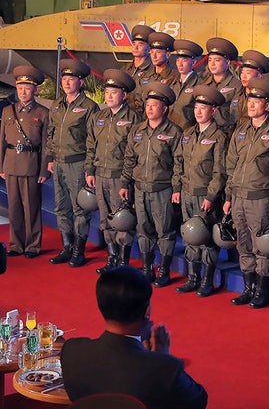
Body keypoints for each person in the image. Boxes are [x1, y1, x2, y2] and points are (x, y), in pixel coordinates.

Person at [61, 266, 208, 409]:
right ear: (147, 312)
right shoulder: (164, 368)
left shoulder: (71, 351)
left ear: (100, 305)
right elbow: (198, 401)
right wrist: (162, 358)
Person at [224, 78, 269, 308]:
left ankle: (262, 289)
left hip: (261, 198)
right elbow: (231, 165)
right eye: (250, 99)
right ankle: (248, 287)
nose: (251, 104)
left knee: (262, 246)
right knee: (243, 244)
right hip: (239, 196)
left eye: (257, 100)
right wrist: (229, 196)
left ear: (267, 105)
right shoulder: (241, 131)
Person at [120, 82, 182, 287]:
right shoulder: (138, 130)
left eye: (154, 105)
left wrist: (176, 189)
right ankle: (147, 268)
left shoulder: (174, 132)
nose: (149, 108)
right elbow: (129, 159)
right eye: (148, 105)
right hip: (140, 187)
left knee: (165, 231)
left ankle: (163, 270)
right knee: (143, 229)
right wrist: (124, 183)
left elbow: (178, 164)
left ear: (164, 109)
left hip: (162, 189)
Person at [173, 85, 228, 297]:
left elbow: (220, 171)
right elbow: (178, 162)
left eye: (203, 108)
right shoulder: (187, 134)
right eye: (196, 106)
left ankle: (207, 280)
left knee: (207, 240)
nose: (198, 111)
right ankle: (192, 277)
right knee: (190, 236)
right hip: (187, 192)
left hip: (205, 196)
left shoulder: (218, 137)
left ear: (213, 111)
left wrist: (211, 196)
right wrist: (177, 187)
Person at [85, 69, 141, 273]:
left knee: (123, 219)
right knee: (105, 218)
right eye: (107, 92)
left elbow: (133, 153)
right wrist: (89, 170)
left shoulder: (133, 119)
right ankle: (111, 258)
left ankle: (123, 261)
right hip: (100, 174)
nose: (109, 96)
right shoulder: (99, 117)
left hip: (120, 176)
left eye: (113, 92)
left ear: (124, 95)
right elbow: (91, 145)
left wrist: (126, 181)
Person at [47, 59, 100, 267]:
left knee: (80, 209)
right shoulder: (57, 104)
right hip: (58, 163)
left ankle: (78, 250)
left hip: (77, 163)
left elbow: (92, 140)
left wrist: (89, 169)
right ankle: (66, 247)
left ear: (80, 82)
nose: (67, 83)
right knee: (61, 207)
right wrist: (50, 158)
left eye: (71, 79)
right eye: (64, 79)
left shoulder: (89, 107)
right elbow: (51, 133)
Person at [0, 66, 49, 258]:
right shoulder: (7, 111)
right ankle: (16, 244)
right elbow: (1, 140)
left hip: (31, 164)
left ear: (35, 89)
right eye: (20, 88)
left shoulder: (43, 112)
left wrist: (44, 170)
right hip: (11, 163)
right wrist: (1, 165)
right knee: (14, 207)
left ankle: (32, 245)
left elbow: (46, 144)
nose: (23, 92)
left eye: (27, 88)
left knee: (31, 208)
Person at [201, 37, 242, 135]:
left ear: (227, 63)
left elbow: (237, 116)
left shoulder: (236, 86)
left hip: (226, 134)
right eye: (210, 60)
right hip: (205, 134)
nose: (212, 64)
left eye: (217, 60)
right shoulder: (203, 85)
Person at [168, 39, 204, 130]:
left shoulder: (199, 85)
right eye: (178, 60)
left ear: (194, 62)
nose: (180, 64)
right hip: (168, 132)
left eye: (184, 60)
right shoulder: (172, 82)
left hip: (186, 133)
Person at [231, 49, 269, 128]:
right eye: (242, 72)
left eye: (248, 73)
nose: (244, 76)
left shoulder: (265, 98)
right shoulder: (238, 95)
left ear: (259, 75)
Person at [123, 25, 155, 114]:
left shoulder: (153, 71)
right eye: (134, 44)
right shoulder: (126, 69)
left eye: (140, 45)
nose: (135, 48)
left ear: (149, 48)